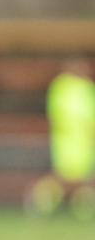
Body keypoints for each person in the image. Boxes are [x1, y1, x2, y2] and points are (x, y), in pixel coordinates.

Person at [29, 58, 95, 219]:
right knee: (65, 176)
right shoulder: (62, 87)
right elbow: (59, 115)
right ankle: (42, 199)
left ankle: (82, 206)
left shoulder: (86, 88)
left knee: (82, 176)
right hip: (68, 140)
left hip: (84, 140)